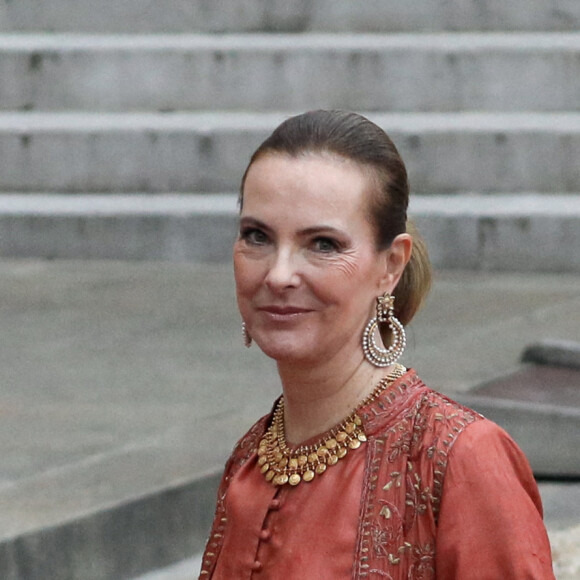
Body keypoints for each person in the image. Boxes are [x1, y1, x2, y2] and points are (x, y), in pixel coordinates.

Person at [199, 110, 555, 578]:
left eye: (323, 244)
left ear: (390, 266)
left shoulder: (460, 459)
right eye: (257, 236)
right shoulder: (251, 458)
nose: (279, 274)